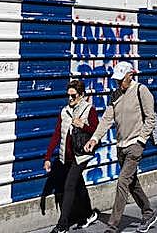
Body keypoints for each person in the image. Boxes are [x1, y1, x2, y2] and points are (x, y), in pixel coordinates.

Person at [84, 62, 157, 233]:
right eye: (116, 80)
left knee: (122, 182)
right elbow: (107, 119)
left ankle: (113, 225)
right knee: (132, 183)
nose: (118, 83)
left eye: (121, 80)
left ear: (130, 75)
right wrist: (95, 138)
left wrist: (141, 140)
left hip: (135, 145)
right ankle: (149, 213)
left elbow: (150, 118)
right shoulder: (115, 94)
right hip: (121, 146)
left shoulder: (141, 90)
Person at [44, 78, 100, 232]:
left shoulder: (89, 110)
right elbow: (57, 135)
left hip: (81, 155)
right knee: (79, 185)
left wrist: (83, 125)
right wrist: (48, 157)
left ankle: (62, 225)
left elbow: (97, 132)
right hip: (66, 156)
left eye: (73, 96)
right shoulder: (64, 111)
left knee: (69, 185)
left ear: (81, 95)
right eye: (68, 95)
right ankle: (89, 214)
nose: (70, 99)